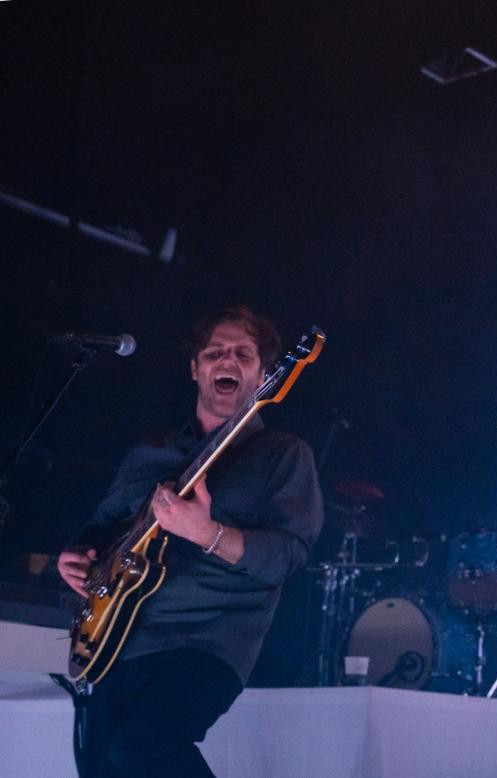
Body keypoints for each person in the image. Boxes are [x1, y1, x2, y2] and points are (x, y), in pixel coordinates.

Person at [57, 305, 323, 777]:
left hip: (207, 642)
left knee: (143, 751)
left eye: (243, 353)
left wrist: (208, 533)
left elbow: (286, 556)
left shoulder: (282, 455)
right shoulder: (150, 450)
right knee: (100, 766)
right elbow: (100, 526)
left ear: (264, 374)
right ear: (195, 369)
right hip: (119, 637)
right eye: (215, 351)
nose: (228, 360)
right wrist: (77, 558)